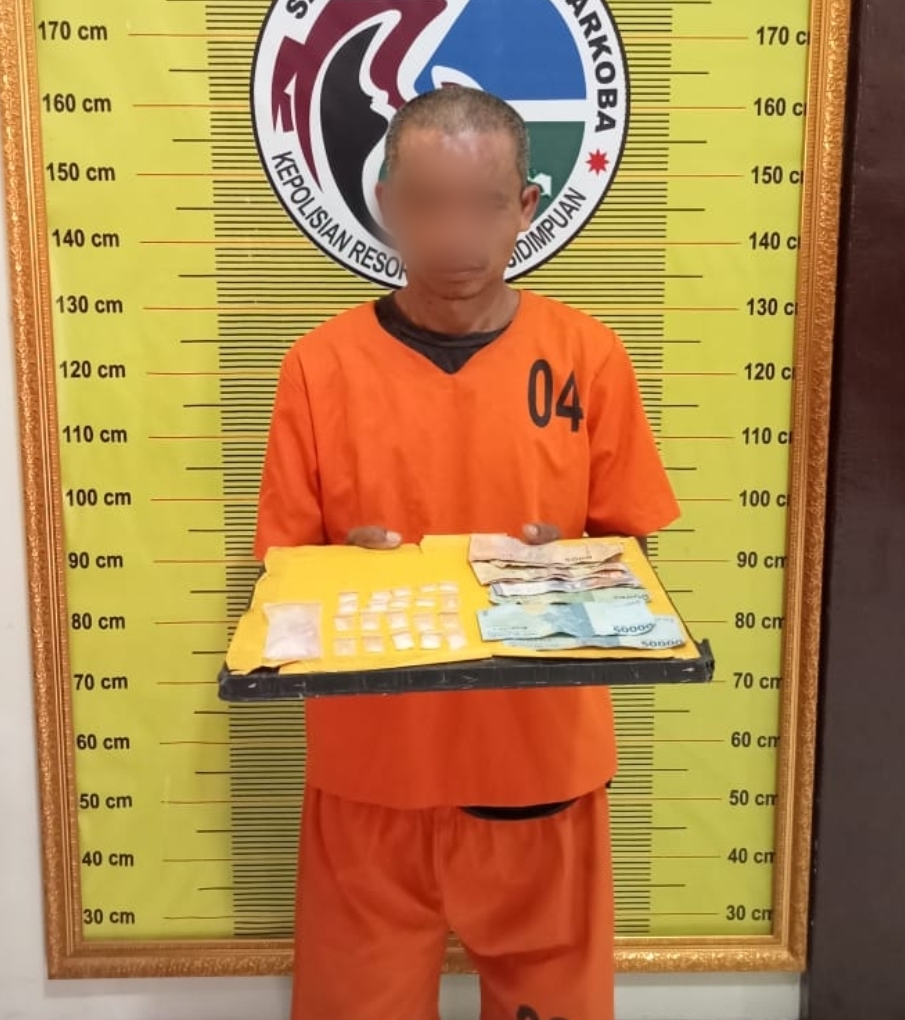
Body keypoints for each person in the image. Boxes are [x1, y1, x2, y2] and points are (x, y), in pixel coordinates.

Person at [255, 83, 679, 1020]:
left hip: (541, 769)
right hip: (371, 776)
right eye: (428, 203)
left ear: (525, 206)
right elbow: (280, 581)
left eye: (482, 205)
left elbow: (636, 555)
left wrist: (572, 563)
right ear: (385, 203)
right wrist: (338, 566)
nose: (455, 235)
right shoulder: (318, 366)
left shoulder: (590, 356)